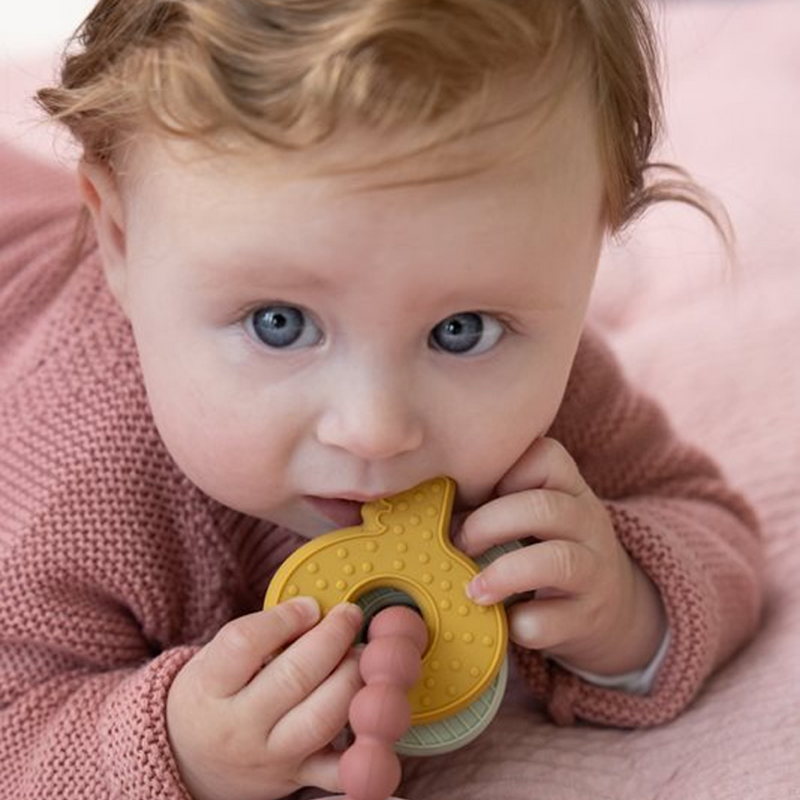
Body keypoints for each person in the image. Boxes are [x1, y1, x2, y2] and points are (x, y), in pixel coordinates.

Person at [0, 1, 763, 799]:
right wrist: (175, 747)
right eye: (280, 323)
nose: (375, 429)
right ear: (121, 240)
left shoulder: (549, 395)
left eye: (459, 331)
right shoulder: (80, 480)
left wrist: (629, 609)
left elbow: (706, 517)